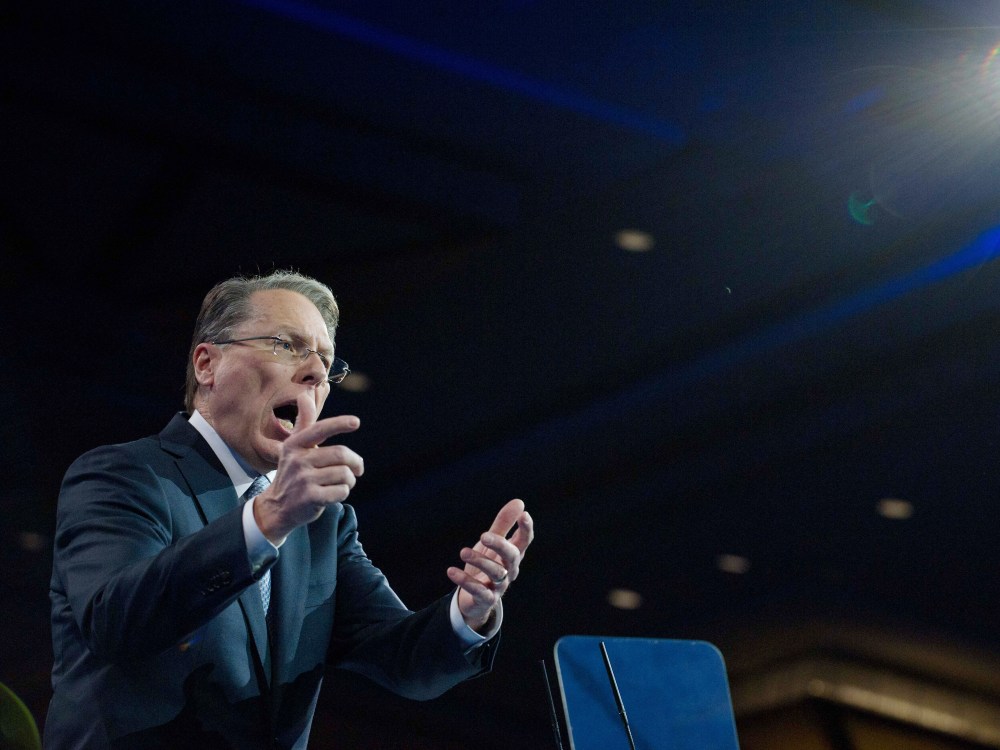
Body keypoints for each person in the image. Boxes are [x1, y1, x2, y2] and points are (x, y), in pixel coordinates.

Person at [45, 270, 533, 748]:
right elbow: (114, 622)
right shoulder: (123, 474)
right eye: (286, 345)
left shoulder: (324, 525)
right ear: (206, 364)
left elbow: (402, 660)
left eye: (326, 362)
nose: (317, 372)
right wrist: (267, 519)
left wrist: (468, 613)